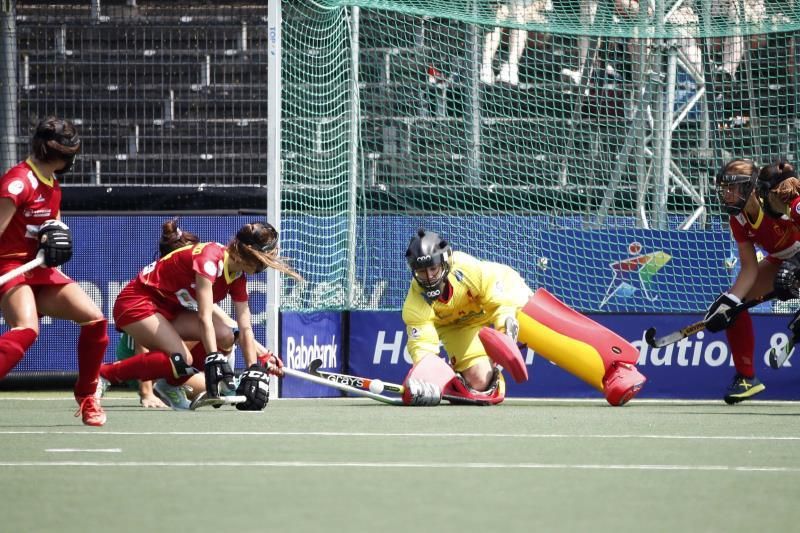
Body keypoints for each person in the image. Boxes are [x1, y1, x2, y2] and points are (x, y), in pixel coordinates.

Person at [401, 228, 646, 405]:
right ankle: (475, 383)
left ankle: (616, 367)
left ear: (445, 263)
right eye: (422, 272)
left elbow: (501, 304)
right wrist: (426, 381)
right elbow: (423, 350)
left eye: (433, 268)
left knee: (538, 326)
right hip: (458, 326)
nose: (429, 277)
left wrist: (505, 331)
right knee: (480, 384)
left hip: (501, 297)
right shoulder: (415, 305)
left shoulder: (467, 269)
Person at [98, 221, 300, 410]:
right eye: (264, 260)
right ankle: (104, 374)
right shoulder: (209, 260)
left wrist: (253, 367)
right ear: (249, 255)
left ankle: (171, 386)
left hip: (170, 311)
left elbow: (244, 328)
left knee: (227, 335)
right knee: (181, 358)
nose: (266, 265)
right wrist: (213, 357)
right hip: (137, 302)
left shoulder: (237, 276)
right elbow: (204, 317)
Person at [0, 116, 107, 426]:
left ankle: (88, 396)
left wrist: (54, 240)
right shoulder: (18, 183)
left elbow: (53, 227)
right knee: (26, 329)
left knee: (94, 319)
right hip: (10, 266)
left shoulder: (52, 183)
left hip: (38, 269)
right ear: (64, 156)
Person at [703, 158, 800, 404]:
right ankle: (747, 378)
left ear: (750, 188)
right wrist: (729, 302)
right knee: (735, 307)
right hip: (782, 259)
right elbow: (748, 269)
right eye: (724, 188)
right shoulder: (738, 219)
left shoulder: (787, 202)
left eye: (732, 188)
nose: (726, 194)